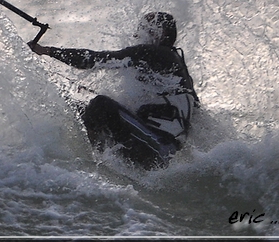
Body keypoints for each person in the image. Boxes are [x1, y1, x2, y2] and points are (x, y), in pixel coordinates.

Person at [29, 12, 199, 169]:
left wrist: (46, 51)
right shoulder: (176, 67)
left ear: (158, 34)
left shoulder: (153, 52)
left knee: (100, 104)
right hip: (162, 151)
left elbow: (95, 60)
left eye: (142, 29)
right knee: (83, 104)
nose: (136, 35)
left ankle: (97, 163)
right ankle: (106, 158)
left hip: (156, 148)